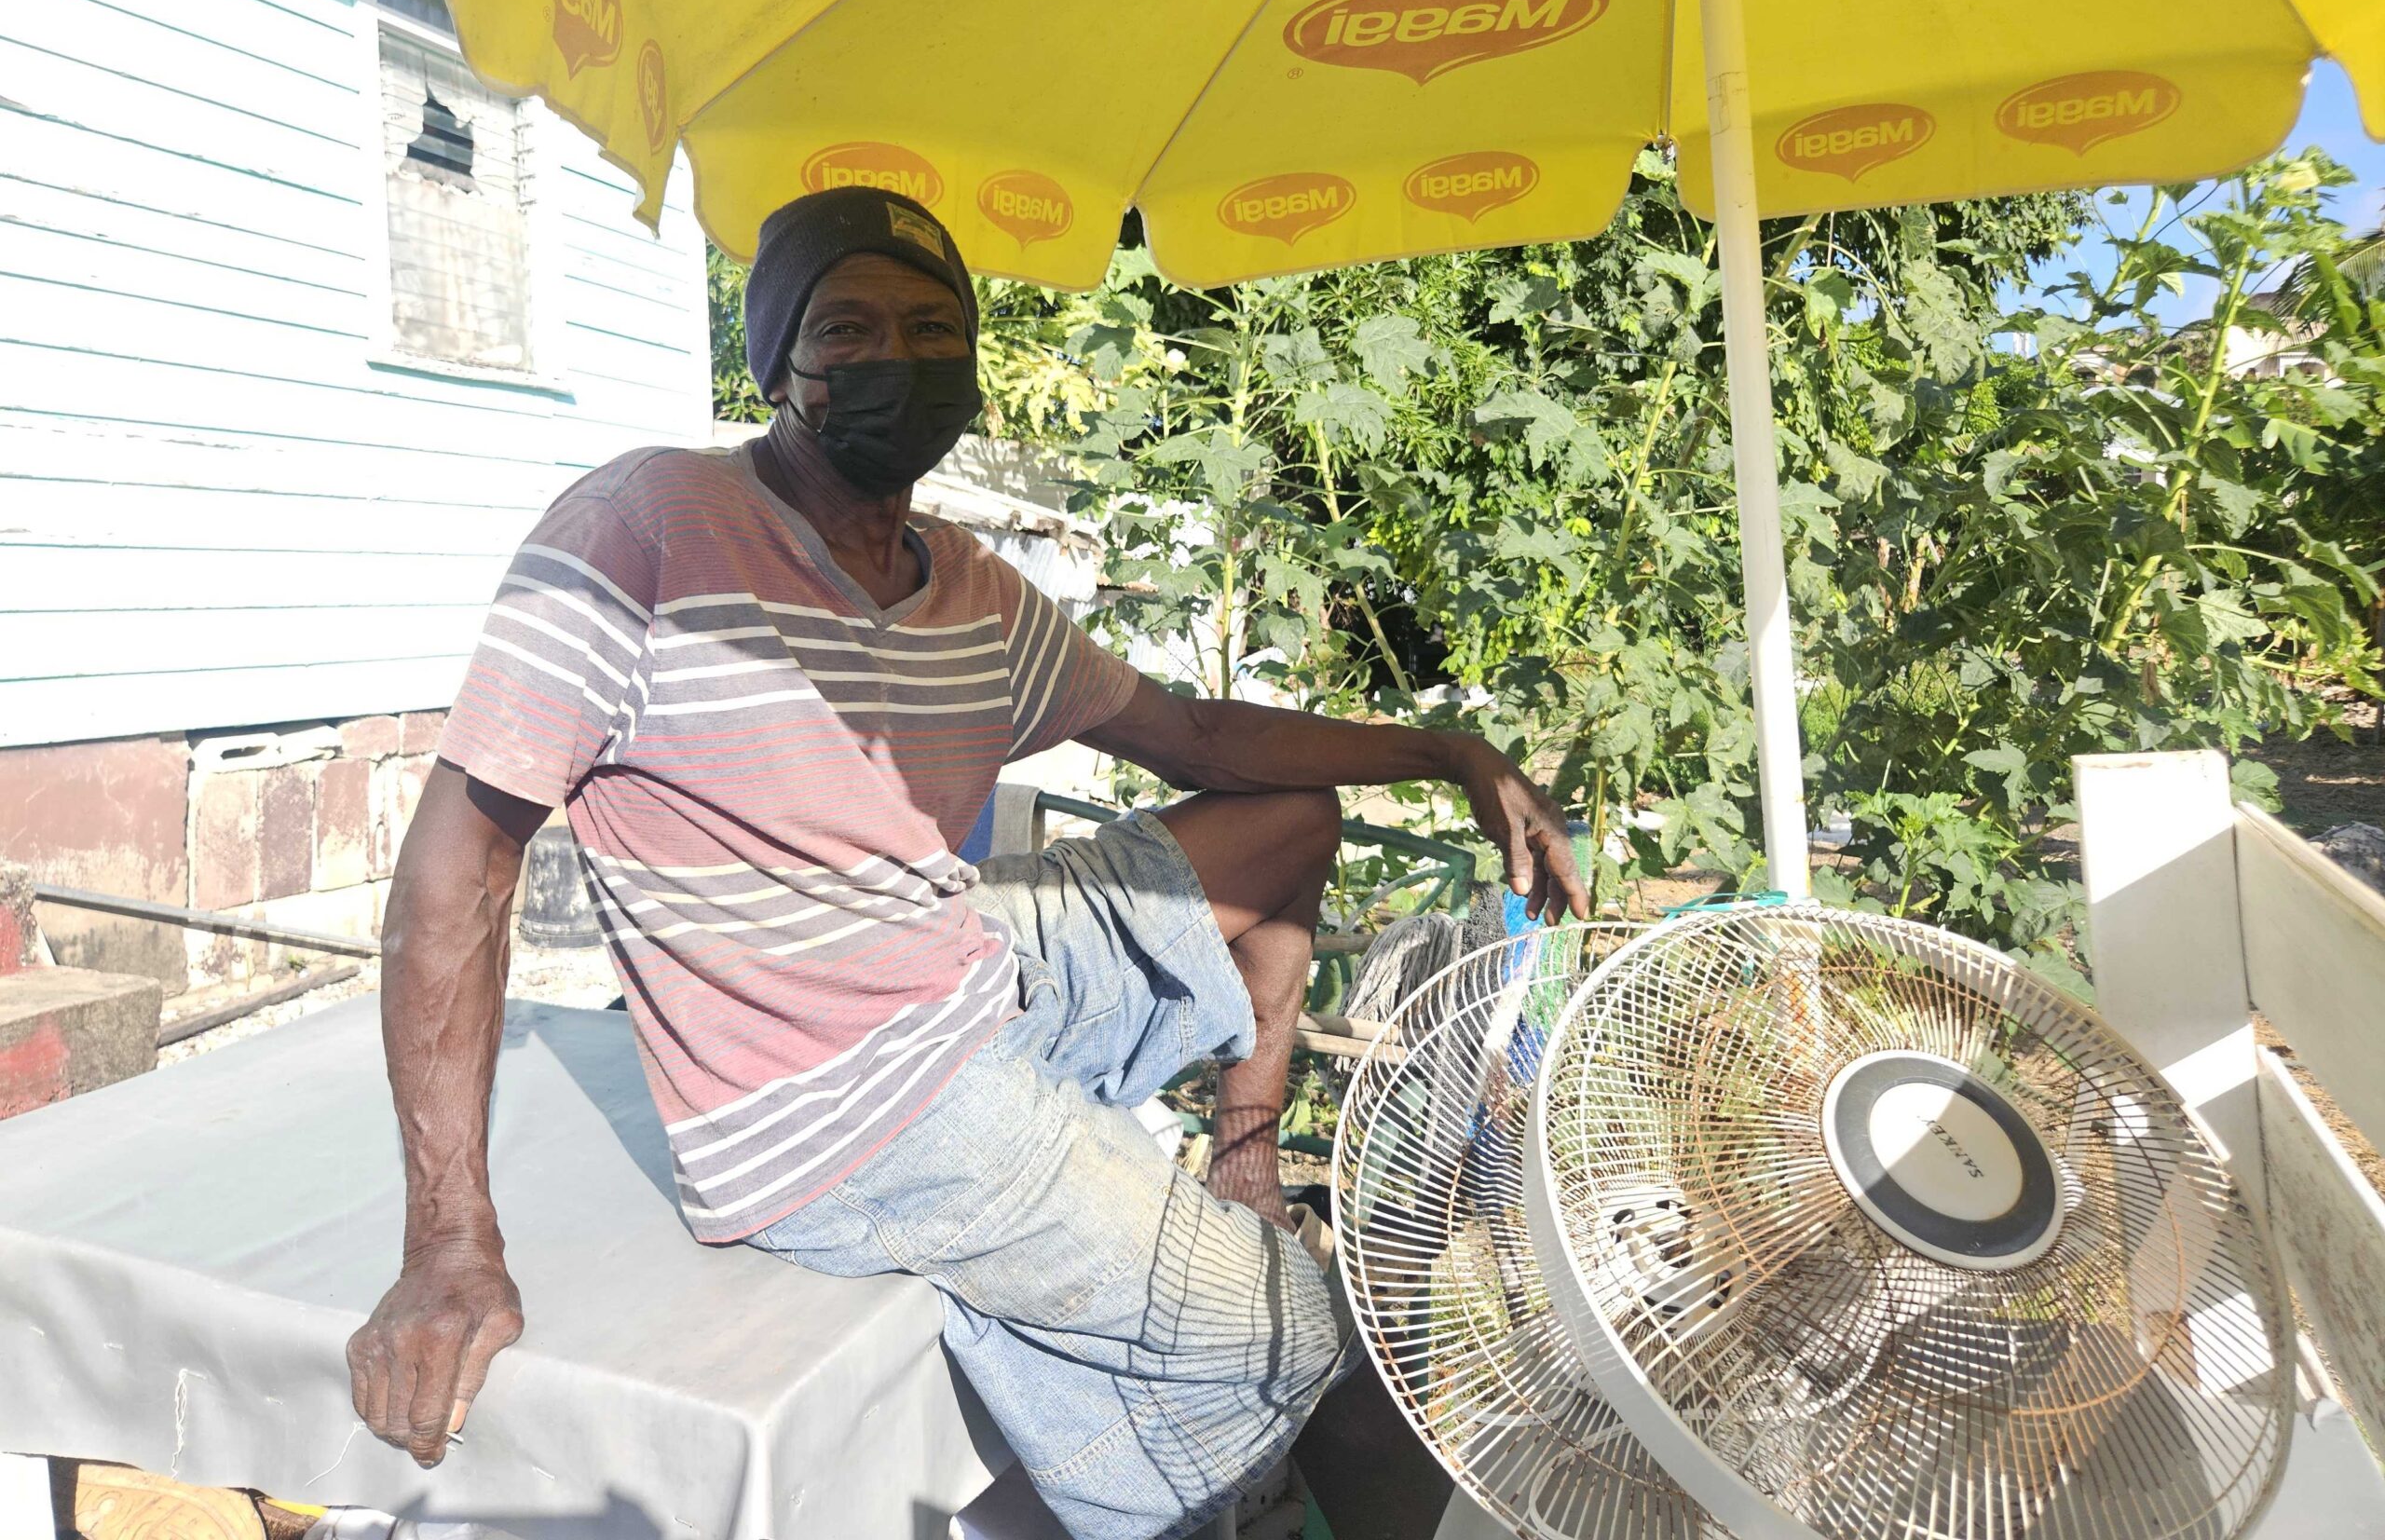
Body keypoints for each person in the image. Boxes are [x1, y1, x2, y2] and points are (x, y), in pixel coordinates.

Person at [346, 189, 1588, 1539]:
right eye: (847, 328)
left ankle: (1242, 1162)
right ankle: (1211, 1480)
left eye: (933, 329)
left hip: (964, 966)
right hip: (842, 1109)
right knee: (1313, 1340)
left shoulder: (969, 589)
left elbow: (1193, 737)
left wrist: (1445, 751)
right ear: (774, 363)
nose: (896, 358)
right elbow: (459, 870)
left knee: (1290, 814)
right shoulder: (646, 526)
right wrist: (448, 1244)